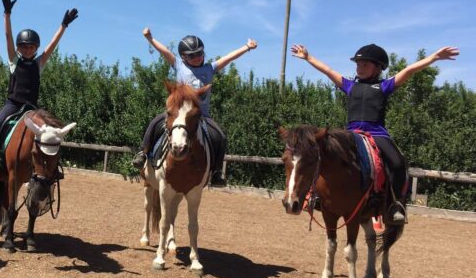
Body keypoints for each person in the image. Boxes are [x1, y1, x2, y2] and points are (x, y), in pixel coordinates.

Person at [290, 42, 460, 222]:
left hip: (377, 134)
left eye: (365, 64)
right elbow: (328, 70)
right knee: (323, 155)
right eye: (357, 64)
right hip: (351, 134)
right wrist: (308, 57)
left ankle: (396, 204)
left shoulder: (384, 86)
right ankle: (315, 196)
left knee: (397, 162)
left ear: (378, 68)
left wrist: (434, 57)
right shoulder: (349, 86)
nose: (359, 68)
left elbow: (409, 70)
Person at [131, 28, 258, 186]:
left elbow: (228, 58)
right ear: (183, 57)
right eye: (192, 55)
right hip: (178, 114)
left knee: (221, 136)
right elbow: (163, 51)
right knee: (155, 123)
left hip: (201, 115)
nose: (197, 57)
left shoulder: (209, 68)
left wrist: (246, 47)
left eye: (200, 53)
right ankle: (143, 153)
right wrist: (150, 38)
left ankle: (217, 172)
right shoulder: (178, 65)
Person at [0, 0, 78, 177]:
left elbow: (53, 43)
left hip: (32, 108)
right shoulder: (14, 61)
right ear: (18, 49)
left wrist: (64, 25)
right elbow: (8, 37)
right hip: (13, 104)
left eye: (31, 47)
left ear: (36, 48)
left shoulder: (38, 64)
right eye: (24, 47)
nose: (27, 50)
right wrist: (7, 15)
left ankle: (53, 166)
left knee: (54, 129)